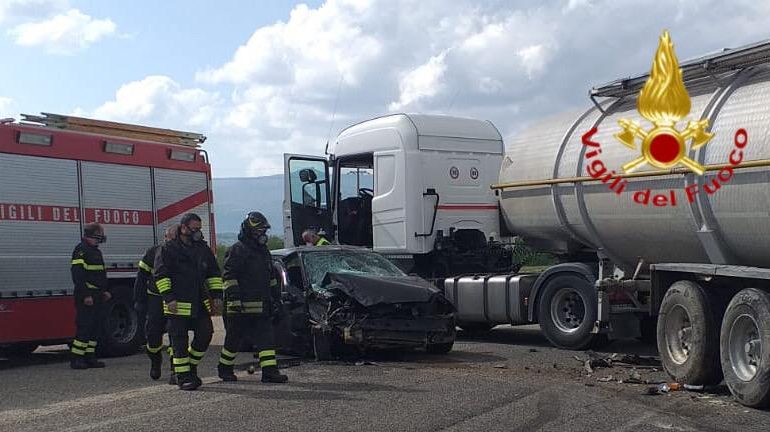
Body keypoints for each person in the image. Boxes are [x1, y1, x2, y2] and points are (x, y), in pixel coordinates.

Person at [217, 211, 288, 384]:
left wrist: (276, 298)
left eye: (264, 231)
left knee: (266, 340)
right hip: (239, 308)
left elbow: (271, 277)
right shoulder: (237, 250)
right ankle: (225, 369)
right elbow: (229, 276)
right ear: (249, 231)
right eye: (258, 231)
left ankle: (270, 372)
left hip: (261, 306)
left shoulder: (263, 252)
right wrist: (234, 302)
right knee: (233, 340)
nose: (262, 235)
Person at [154, 213, 223, 391]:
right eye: (195, 229)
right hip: (177, 305)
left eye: (200, 229)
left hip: (198, 302)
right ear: (183, 228)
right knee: (179, 343)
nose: (198, 233)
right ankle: (182, 377)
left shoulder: (202, 249)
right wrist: (169, 298)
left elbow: (214, 273)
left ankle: (190, 368)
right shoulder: (168, 249)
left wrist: (217, 296)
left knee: (206, 333)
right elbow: (161, 276)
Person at [133, 225, 177, 382]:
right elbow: (141, 278)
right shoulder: (153, 252)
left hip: (175, 300)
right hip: (155, 299)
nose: (168, 241)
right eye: (167, 237)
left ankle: (175, 370)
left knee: (176, 335)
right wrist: (139, 300)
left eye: (172, 238)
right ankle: (155, 361)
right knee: (152, 334)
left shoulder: (183, 254)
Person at [70, 223, 110, 370]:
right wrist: (86, 295)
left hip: (98, 295)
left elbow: (99, 274)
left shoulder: (95, 251)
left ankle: (90, 357)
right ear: (92, 235)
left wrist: (104, 291)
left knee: (95, 327)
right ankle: (77, 359)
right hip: (87, 295)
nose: (100, 240)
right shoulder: (81, 250)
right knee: (85, 327)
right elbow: (78, 275)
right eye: (99, 236)